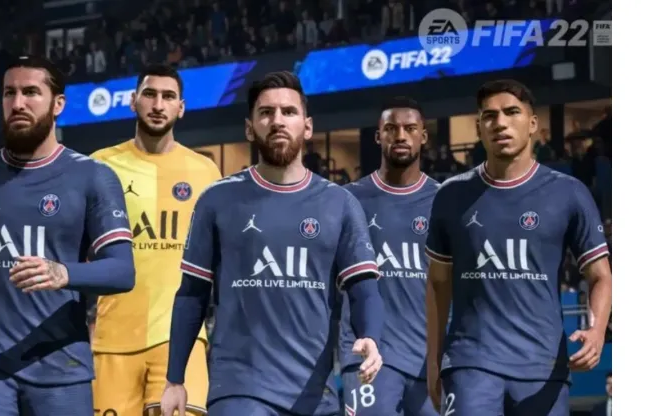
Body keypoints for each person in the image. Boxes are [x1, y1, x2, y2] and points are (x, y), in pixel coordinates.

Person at [160, 71, 385, 416]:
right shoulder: (216, 200)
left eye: (288, 112)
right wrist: (174, 378)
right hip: (238, 390)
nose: (277, 121)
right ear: (249, 128)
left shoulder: (339, 203)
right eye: (266, 113)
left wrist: (369, 334)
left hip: (315, 393)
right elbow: (191, 293)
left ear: (307, 126)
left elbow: (363, 288)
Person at [0, 55, 135, 416]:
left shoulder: (94, 177)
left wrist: (64, 273)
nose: (17, 103)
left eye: (31, 92)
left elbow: (122, 271)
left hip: (62, 366)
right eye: (9, 93)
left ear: (58, 103)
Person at [425, 79, 612, 416]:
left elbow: (601, 275)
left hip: (543, 368)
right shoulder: (450, 195)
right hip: (470, 363)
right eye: (489, 116)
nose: (500, 122)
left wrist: (597, 330)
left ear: (533, 124)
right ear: (480, 128)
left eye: (512, 112)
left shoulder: (569, 193)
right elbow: (438, 283)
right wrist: (434, 362)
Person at [91, 64, 221, 416]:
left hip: (181, 340)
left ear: (181, 107)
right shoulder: (99, 167)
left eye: (168, 97)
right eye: (149, 94)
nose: (158, 104)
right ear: (133, 101)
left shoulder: (206, 172)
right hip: (113, 340)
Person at [340, 97, 439, 416]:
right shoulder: (348, 200)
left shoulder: (445, 201)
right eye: (391, 128)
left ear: (423, 136)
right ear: (377, 136)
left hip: (430, 360)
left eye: (410, 129)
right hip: (368, 358)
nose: (400, 136)